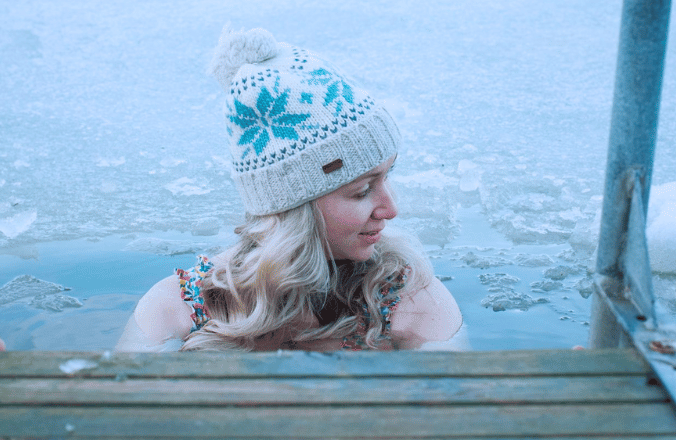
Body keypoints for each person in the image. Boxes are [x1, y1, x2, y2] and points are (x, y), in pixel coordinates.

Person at [113, 27, 466, 352]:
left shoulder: (411, 304)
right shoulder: (178, 309)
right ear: (292, 209)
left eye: (387, 176)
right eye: (362, 191)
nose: (390, 209)